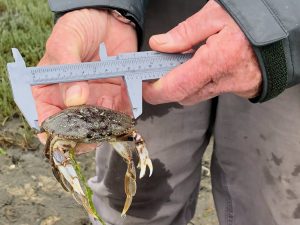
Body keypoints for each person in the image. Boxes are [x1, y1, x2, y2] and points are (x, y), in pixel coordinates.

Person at [34, 0, 300, 224]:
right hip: (156, 12)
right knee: (136, 201)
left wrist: (277, 23)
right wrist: (101, 5)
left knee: (275, 201)